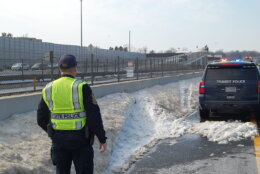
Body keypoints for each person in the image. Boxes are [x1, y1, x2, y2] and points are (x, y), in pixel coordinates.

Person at [37, 54, 107, 174]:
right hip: (81, 140)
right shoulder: (81, 87)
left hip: (58, 140)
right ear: (75, 68)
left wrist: (53, 133)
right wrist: (102, 138)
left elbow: (41, 118)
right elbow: (93, 117)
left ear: (60, 69)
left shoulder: (48, 88)